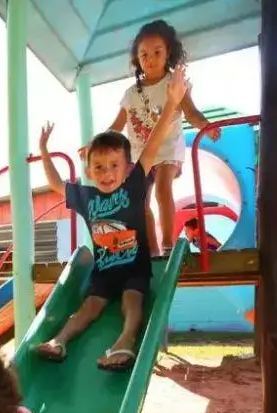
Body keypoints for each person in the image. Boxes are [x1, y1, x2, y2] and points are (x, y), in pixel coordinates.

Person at [35, 66, 189, 371]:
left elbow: (153, 145)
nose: (106, 173)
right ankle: (59, 340)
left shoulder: (134, 186)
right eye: (99, 167)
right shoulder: (86, 197)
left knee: (132, 300)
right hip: (103, 272)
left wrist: (173, 102)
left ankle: (125, 341)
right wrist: (43, 150)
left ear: (127, 167)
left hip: (134, 267)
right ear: (89, 170)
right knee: (88, 307)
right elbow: (54, 183)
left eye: (114, 165)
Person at [98, 19, 221, 254]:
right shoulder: (131, 94)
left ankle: (167, 244)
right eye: (144, 54)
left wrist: (206, 126)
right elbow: (117, 126)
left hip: (167, 150)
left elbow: (191, 112)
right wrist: (97, 144)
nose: (150, 59)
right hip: (141, 156)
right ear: (137, 59)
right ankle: (152, 250)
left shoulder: (173, 84)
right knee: (140, 201)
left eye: (157, 52)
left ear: (168, 54)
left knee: (163, 189)